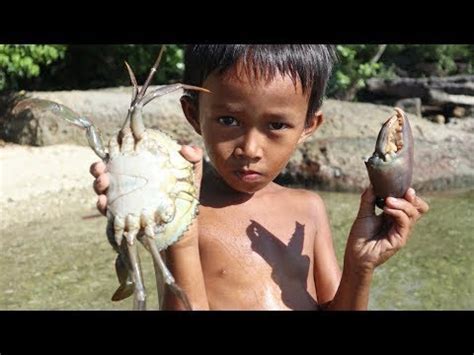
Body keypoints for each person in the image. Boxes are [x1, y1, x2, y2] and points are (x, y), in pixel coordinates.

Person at [90, 45, 429, 310]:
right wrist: (177, 230)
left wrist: (361, 265)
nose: (250, 148)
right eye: (227, 120)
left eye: (277, 125)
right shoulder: (180, 208)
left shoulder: (309, 208)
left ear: (309, 125)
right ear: (194, 115)